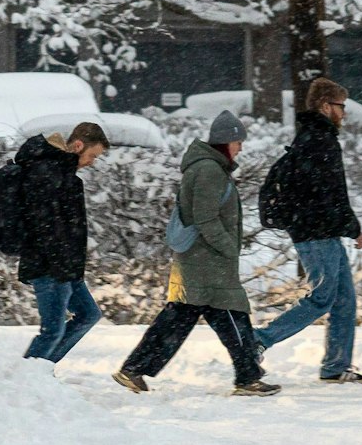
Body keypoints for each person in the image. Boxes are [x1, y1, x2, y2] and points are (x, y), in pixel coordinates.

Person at [113, 111, 279, 395]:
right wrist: (229, 247)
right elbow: (205, 217)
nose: (240, 147)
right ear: (226, 141)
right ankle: (247, 376)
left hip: (201, 262)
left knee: (181, 319)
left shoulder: (208, 168)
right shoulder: (208, 170)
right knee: (231, 315)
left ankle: (135, 368)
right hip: (207, 263)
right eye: (238, 141)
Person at [254, 77, 362, 383]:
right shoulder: (321, 140)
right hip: (316, 233)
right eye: (340, 106)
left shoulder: (311, 137)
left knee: (344, 301)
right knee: (322, 299)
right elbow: (332, 193)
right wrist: (354, 229)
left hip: (319, 231)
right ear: (325, 106)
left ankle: (336, 366)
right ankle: (258, 339)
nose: (344, 113)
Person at [15, 120, 109, 363]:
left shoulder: (66, 177)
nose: (92, 162)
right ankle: (25, 381)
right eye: (92, 155)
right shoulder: (48, 173)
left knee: (88, 315)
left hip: (66, 268)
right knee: (52, 331)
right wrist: (59, 265)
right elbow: (44, 226)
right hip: (50, 266)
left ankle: (40, 373)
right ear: (77, 145)